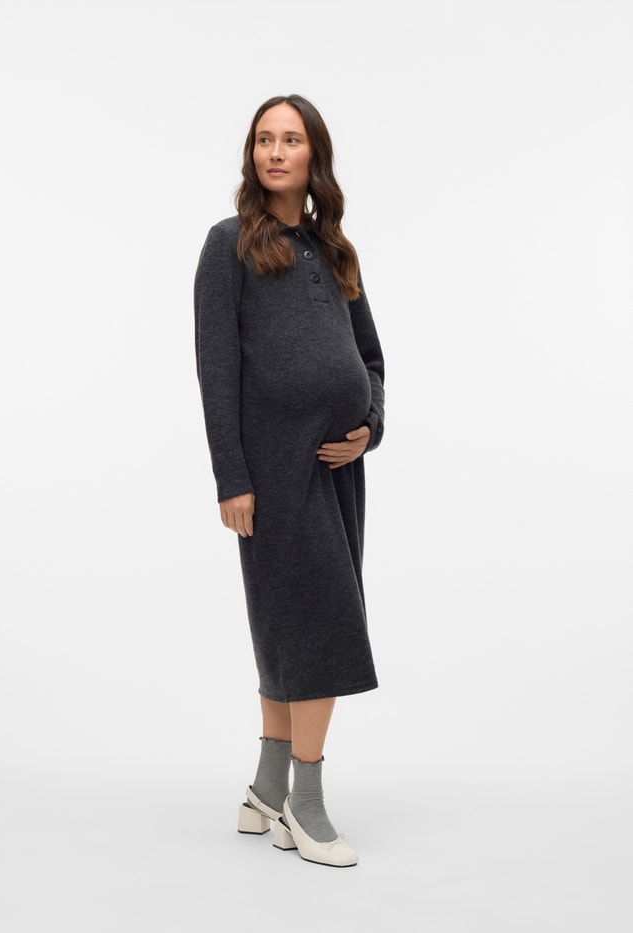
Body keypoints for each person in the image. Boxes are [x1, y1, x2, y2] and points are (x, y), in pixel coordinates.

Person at [194, 94, 385, 868]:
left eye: (291, 139)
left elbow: (371, 359)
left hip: (339, 474)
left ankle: (266, 790)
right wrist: (231, 478)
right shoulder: (228, 244)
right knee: (316, 628)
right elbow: (216, 369)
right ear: (253, 155)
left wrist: (370, 427)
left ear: (314, 156)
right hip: (272, 475)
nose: (275, 151)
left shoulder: (335, 251)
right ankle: (305, 805)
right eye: (264, 139)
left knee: (292, 623)